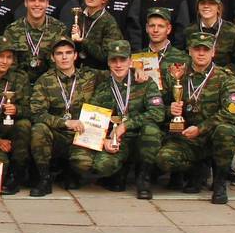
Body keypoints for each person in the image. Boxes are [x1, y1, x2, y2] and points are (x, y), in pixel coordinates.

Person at [70, 40, 165, 198]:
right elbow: (93, 119)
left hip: (140, 137)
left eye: (123, 60)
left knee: (151, 130)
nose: (119, 65)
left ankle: (144, 179)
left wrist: (126, 125)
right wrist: (104, 141)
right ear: (108, 62)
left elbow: (158, 113)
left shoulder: (145, 82)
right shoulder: (103, 87)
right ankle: (120, 171)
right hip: (118, 140)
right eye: (114, 60)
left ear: (130, 61)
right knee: (101, 166)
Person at [156, 31, 235, 204]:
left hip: (211, 134)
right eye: (197, 49)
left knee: (227, 130)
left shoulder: (224, 78)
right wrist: (169, 109)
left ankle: (219, 184)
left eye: (205, 49)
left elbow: (231, 111)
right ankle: (197, 170)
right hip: (186, 136)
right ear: (189, 51)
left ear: (213, 52)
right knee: (164, 159)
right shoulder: (177, 75)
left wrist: (201, 129)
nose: (201, 53)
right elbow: (157, 104)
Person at [29, 36, 97, 196]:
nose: (64, 57)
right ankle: (44, 178)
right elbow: (37, 114)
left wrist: (137, 69)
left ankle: (71, 171)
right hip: (58, 135)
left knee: (84, 164)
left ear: (75, 55)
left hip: (82, 135)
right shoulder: (44, 81)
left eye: (68, 52)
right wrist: (65, 123)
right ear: (53, 57)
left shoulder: (90, 76)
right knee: (39, 130)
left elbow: (118, 71)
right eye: (59, 53)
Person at [0, 35, 32, 194]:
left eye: (9, 57)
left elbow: (31, 109)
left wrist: (17, 110)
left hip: (10, 128)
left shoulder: (20, 77)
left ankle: (16, 175)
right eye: (0, 56)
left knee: (24, 125)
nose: (4, 61)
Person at [5, 0, 67, 84]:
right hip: (20, 85)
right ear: (25, 3)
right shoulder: (12, 30)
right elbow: (10, 66)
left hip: (50, 85)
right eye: (32, 0)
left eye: (41, 0)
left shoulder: (59, 29)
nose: (37, 4)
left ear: (47, 3)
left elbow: (62, 64)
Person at [185, 0, 235, 78]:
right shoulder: (190, 30)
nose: (206, 6)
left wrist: (221, 73)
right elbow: (183, 57)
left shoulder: (232, 31)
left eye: (211, 3)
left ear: (218, 8)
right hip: (195, 79)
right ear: (198, 7)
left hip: (223, 81)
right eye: (202, 3)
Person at [71, 0, 122, 69]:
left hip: (98, 73)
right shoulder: (79, 15)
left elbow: (107, 55)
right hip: (77, 69)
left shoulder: (109, 22)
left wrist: (84, 41)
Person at [138, 7, 187, 83]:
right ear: (147, 28)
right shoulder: (138, 58)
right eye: (152, 26)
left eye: (161, 26)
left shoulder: (182, 58)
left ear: (168, 29)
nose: (155, 30)